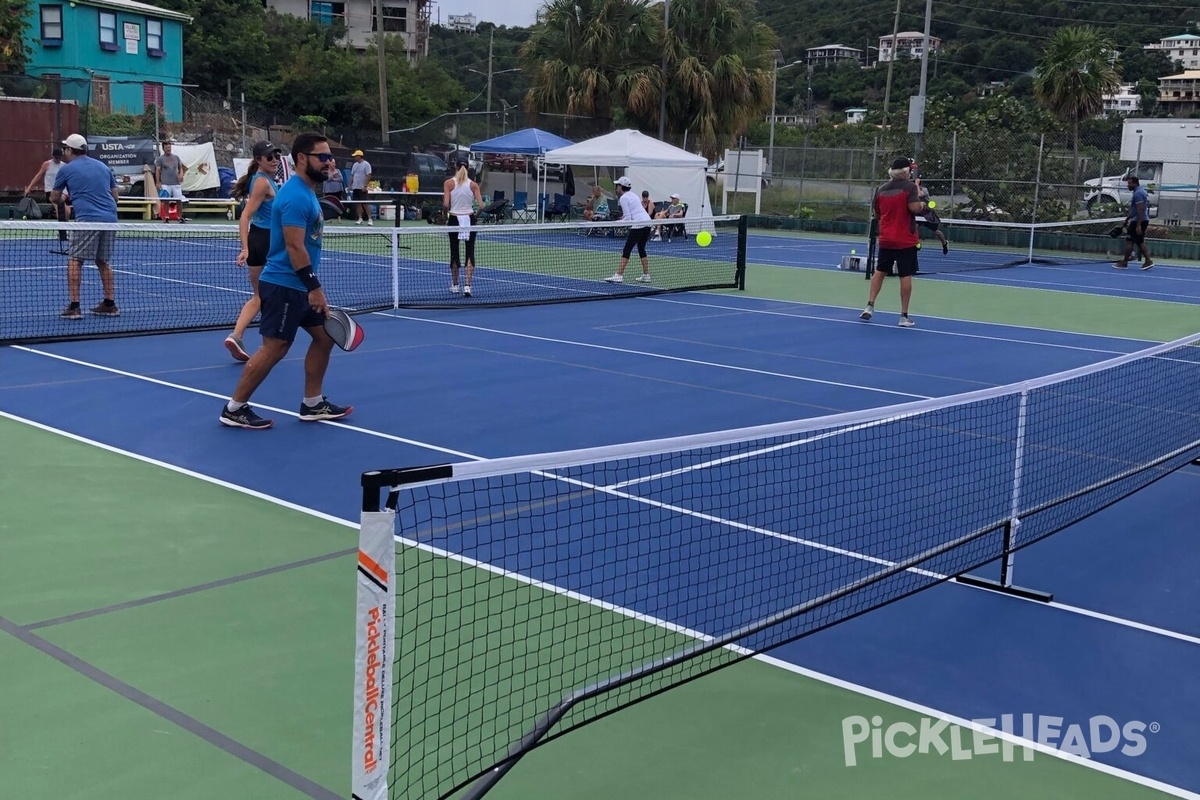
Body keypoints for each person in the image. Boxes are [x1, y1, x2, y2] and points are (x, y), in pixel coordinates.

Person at [219, 132, 353, 430]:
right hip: (285, 285)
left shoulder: (306, 193)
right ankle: (234, 408)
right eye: (323, 157)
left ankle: (313, 403)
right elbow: (294, 247)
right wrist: (314, 287)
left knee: (324, 337)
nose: (329, 162)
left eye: (330, 157)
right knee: (275, 347)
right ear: (302, 159)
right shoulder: (293, 196)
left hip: (299, 285)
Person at [50, 134, 121, 319]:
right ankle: (110, 304)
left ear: (70, 151)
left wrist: (65, 197)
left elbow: (54, 198)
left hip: (88, 220)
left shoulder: (66, 169)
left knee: (75, 260)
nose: (64, 152)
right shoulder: (103, 166)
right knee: (103, 261)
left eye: (65, 148)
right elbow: (115, 197)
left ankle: (74, 307)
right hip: (110, 219)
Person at [224, 140, 283, 362]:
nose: (274, 160)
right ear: (259, 160)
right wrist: (245, 248)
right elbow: (245, 216)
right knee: (279, 293)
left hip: (260, 240)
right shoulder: (261, 183)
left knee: (260, 296)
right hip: (267, 242)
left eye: (276, 156)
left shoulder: (265, 180)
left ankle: (237, 336)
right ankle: (270, 343)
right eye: (269, 157)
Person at [860, 157, 925, 327]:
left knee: (880, 271)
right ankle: (904, 316)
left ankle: (869, 306)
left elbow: (878, 213)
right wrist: (922, 205)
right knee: (905, 275)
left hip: (886, 238)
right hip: (905, 240)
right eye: (910, 170)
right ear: (905, 172)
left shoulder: (881, 189)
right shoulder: (910, 187)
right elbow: (914, 208)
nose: (911, 172)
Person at [443, 154, 485, 297]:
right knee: (470, 252)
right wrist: (475, 217)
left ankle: (455, 285)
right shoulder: (473, 185)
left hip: (454, 219)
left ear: (455, 167)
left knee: (454, 251)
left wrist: (445, 215)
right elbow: (482, 206)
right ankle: (467, 286)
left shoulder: (448, 183)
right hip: (469, 219)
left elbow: (445, 204)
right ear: (468, 167)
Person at [604, 176, 653, 284]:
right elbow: (633, 212)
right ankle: (646, 275)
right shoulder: (634, 195)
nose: (616, 187)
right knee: (641, 248)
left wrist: (614, 224)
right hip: (647, 223)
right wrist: (623, 220)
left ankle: (618, 275)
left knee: (627, 249)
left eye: (617, 185)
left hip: (638, 225)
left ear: (621, 187)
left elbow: (628, 218)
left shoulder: (623, 198)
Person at [1113, 175, 1153, 270]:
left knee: (1133, 241)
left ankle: (1128, 262)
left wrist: (1138, 225)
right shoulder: (1138, 192)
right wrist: (1127, 220)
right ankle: (1144, 261)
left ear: (1135, 183)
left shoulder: (1138, 193)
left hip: (1139, 221)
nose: (1128, 185)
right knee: (1136, 241)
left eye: (1129, 184)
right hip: (1138, 220)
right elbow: (1134, 210)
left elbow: (1140, 210)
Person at [909, 160, 948, 255]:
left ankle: (944, 243)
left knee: (936, 232)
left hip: (927, 213)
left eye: (916, 184)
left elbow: (919, 194)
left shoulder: (924, 190)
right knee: (914, 227)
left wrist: (917, 184)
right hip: (918, 213)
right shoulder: (912, 190)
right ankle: (915, 244)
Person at [24, 148, 64, 221]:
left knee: (61, 206)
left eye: (59, 157)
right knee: (55, 205)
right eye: (56, 157)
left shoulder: (64, 166)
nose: (57, 159)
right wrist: (29, 188)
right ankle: (61, 221)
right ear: (52, 156)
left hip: (61, 191)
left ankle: (62, 221)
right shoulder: (47, 164)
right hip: (49, 190)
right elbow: (38, 176)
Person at [154, 139, 189, 213]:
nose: (168, 149)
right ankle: (166, 216)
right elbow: (157, 171)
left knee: (179, 201)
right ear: (163, 149)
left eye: (169, 147)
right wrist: (158, 182)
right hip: (165, 183)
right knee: (166, 201)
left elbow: (181, 168)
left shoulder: (176, 157)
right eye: (166, 147)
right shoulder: (160, 159)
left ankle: (180, 217)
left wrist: (181, 175)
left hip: (176, 183)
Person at [349, 148, 373, 225]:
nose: (355, 157)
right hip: (355, 188)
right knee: (358, 203)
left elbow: (368, 175)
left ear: (360, 156)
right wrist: (350, 185)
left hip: (362, 188)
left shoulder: (366, 164)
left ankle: (370, 219)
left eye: (356, 156)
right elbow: (352, 176)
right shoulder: (355, 165)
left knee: (365, 203)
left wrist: (365, 186)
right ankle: (360, 218)